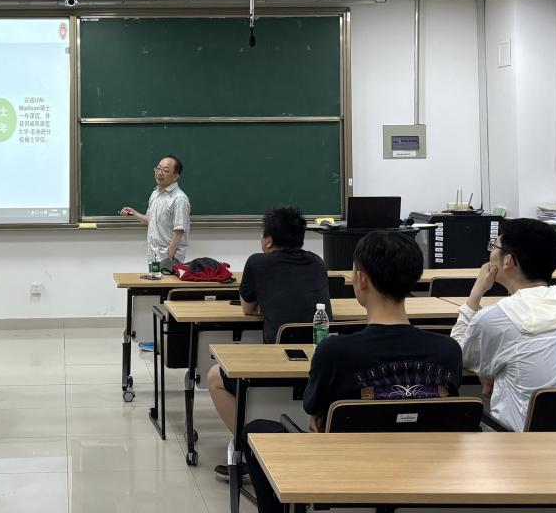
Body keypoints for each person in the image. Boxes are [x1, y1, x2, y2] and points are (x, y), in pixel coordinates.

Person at [242, 230, 463, 513]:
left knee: (256, 431)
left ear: (361, 279)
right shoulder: (448, 350)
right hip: (431, 481)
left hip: (346, 481)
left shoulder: (335, 351)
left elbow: (312, 409)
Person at [450, 217, 556, 431]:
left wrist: (476, 293)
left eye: (494, 247)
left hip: (524, 442)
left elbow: (457, 355)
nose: (490, 253)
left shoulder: (495, 317)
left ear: (508, 261)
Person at [207, 206, 331, 481]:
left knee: (215, 376)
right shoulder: (317, 262)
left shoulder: (257, 263)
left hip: (276, 371)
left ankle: (251, 449)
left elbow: (247, 309)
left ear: (268, 240)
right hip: (320, 367)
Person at [120, 154, 191, 352]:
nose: (160, 173)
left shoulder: (179, 199)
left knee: (166, 297)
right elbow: (151, 220)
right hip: (154, 255)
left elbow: (179, 230)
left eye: (165, 170)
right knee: (156, 295)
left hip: (167, 257)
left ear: (176, 176)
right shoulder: (156, 194)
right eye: (158, 168)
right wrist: (135, 214)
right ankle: (155, 337)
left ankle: (166, 341)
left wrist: (170, 254)